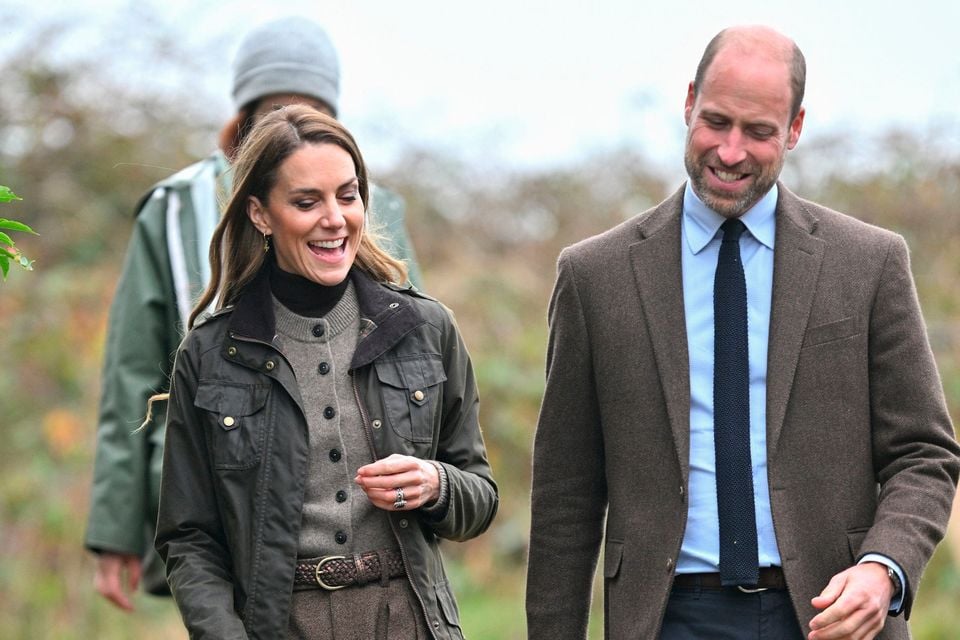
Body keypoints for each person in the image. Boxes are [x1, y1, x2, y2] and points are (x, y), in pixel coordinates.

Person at [526, 24, 960, 640]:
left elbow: (924, 452)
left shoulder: (870, 262)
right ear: (687, 103)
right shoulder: (595, 275)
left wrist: (882, 569)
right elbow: (565, 491)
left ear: (795, 128)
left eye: (758, 132)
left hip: (830, 618)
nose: (730, 152)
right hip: (665, 619)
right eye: (717, 122)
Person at [85, 17, 422, 611]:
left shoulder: (371, 205)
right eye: (272, 109)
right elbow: (131, 374)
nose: (289, 124)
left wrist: (434, 477)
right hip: (220, 490)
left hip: (355, 507)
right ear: (244, 116)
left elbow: (411, 352)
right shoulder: (171, 209)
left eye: (309, 107)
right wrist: (115, 528)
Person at [153, 104, 497, 639]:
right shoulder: (210, 354)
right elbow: (189, 536)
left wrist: (437, 484)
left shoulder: (427, 328)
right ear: (261, 214)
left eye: (348, 194)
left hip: (408, 621)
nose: (335, 218)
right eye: (306, 201)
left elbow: (479, 495)